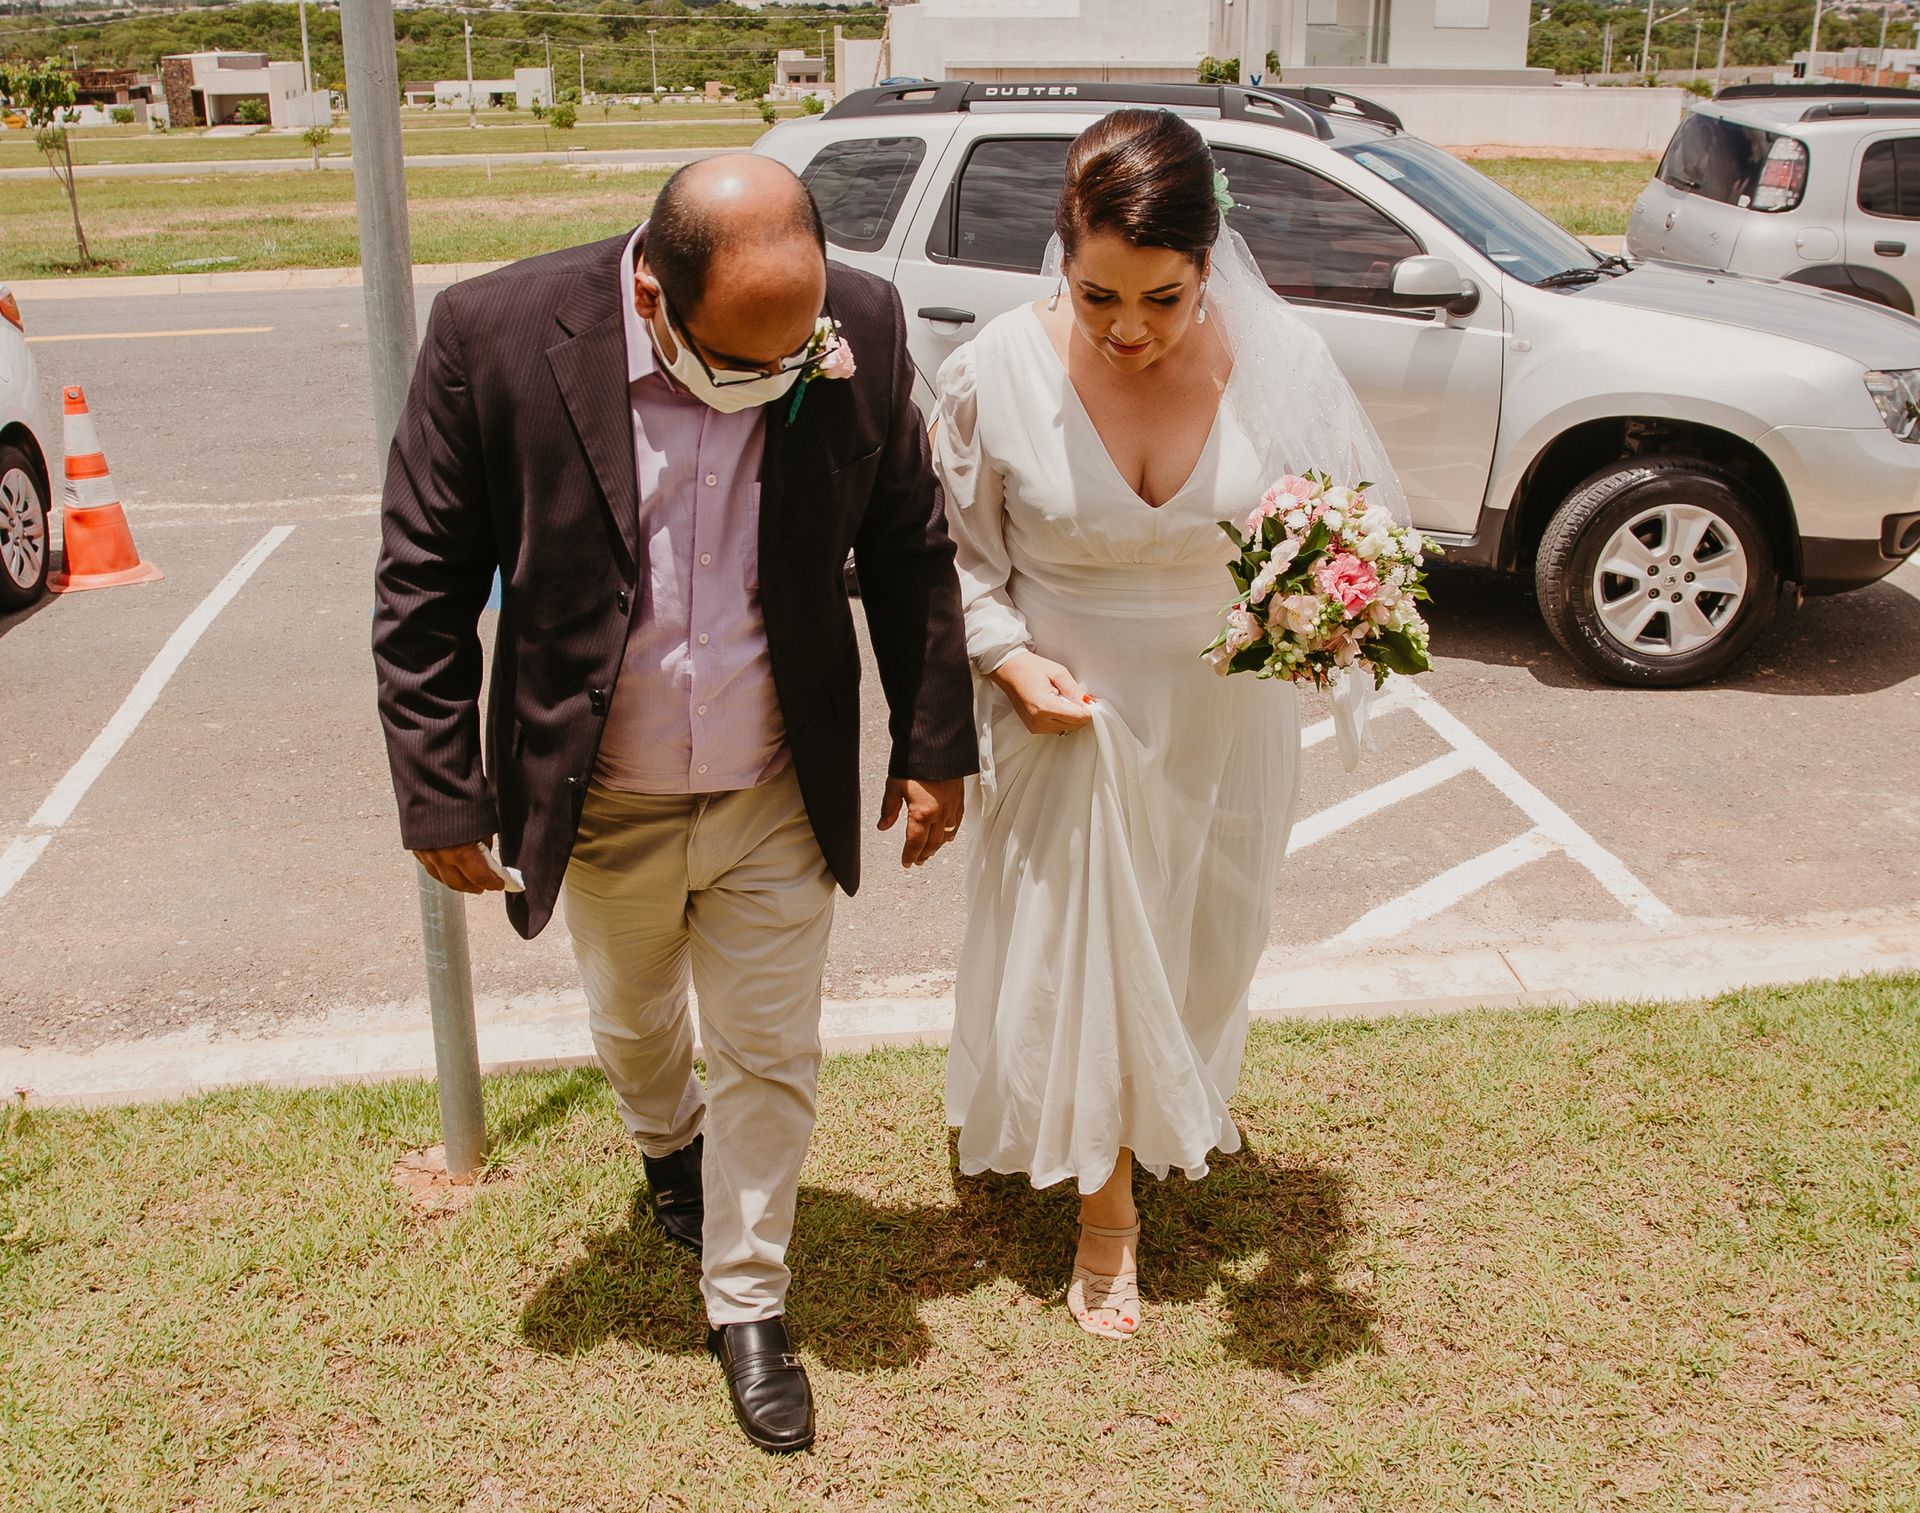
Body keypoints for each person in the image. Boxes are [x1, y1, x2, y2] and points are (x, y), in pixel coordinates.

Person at [372, 155, 977, 1453]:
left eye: (790, 353)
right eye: (740, 361)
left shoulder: (858, 327)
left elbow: (909, 537)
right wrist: (439, 785)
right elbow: (422, 579)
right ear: (652, 291)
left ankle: (748, 1300)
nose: (774, 381)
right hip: (600, 793)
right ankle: (665, 1147)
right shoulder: (494, 336)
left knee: (768, 1049)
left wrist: (935, 741)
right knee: (635, 1018)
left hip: (775, 781)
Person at [935, 110, 1407, 1341]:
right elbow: (961, 561)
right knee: (1081, 949)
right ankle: (1106, 1214)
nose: (1130, 329)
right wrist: (1007, 659)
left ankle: (1163, 1100)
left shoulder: (1279, 359)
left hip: (1224, 711)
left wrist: (1327, 604)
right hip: (1064, 714)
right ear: (1061, 253)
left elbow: (1329, 526)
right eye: (1098, 297)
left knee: (1203, 938)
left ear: (1213, 263)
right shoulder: (994, 370)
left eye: (1164, 297)